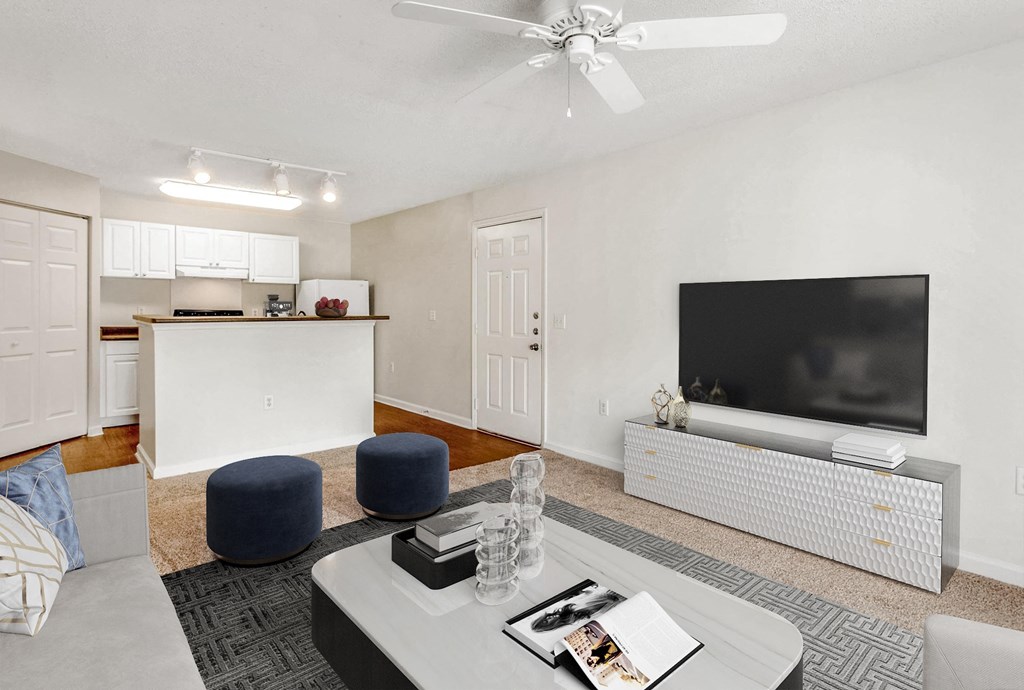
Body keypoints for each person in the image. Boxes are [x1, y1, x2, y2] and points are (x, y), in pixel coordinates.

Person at [530, 589, 625, 632]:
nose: (549, 617)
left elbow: (589, 596)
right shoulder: (572, 617)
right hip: (614, 598)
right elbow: (598, 609)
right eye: (546, 621)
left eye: (545, 617)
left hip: (609, 593)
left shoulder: (566, 609)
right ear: (551, 625)